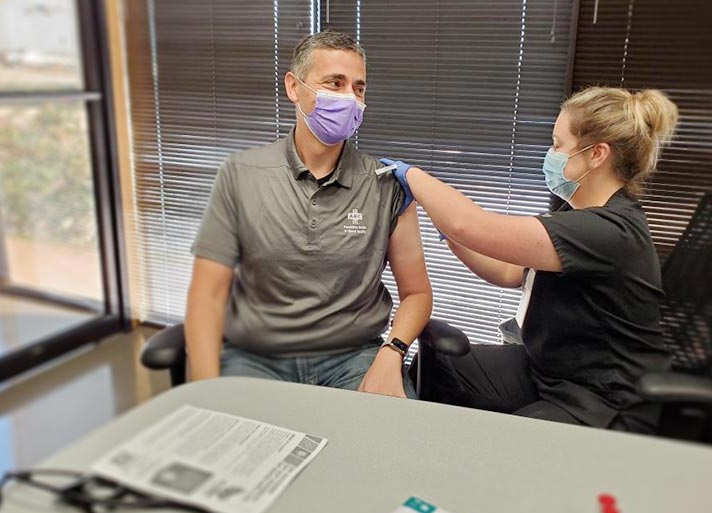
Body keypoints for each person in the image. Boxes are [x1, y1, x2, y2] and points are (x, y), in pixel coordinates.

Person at [380, 87, 679, 431]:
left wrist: (411, 175)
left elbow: (471, 223)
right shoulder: (577, 214)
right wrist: (450, 234)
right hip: (549, 370)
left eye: (557, 145)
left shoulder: (609, 230)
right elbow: (509, 271)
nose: (549, 154)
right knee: (440, 364)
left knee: (507, 449)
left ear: (597, 154)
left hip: (602, 399)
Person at [185, 30, 432, 398]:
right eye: (335, 83)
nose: (349, 98)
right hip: (259, 356)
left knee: (392, 446)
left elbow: (416, 292)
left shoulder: (385, 185)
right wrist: (205, 389)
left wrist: (391, 353)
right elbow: (207, 295)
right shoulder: (242, 175)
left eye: (359, 88)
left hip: (354, 357)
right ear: (293, 86)